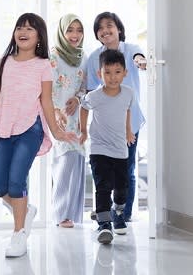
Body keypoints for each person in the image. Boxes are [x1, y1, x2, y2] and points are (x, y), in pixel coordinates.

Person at [0, 13, 77, 258]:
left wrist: (57, 131)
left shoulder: (43, 65)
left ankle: (19, 235)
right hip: (6, 127)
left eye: (29, 28)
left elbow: (47, 102)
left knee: (17, 181)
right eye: (19, 27)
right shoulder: (5, 61)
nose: (23, 31)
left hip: (31, 128)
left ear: (39, 36)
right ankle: (26, 210)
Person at [85, 12, 146, 222]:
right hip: (104, 126)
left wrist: (141, 61)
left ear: (118, 28)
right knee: (103, 171)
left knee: (126, 169)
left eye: (109, 25)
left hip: (129, 123)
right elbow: (91, 92)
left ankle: (123, 214)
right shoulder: (94, 58)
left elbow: (139, 57)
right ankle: (105, 211)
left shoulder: (130, 50)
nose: (105, 30)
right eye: (100, 28)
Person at [80, 49, 136, 244]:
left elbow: (127, 111)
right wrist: (84, 131)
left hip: (120, 149)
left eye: (117, 72)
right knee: (103, 187)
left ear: (125, 73)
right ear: (99, 74)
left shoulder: (129, 93)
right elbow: (84, 108)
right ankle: (104, 225)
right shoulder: (95, 96)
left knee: (122, 188)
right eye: (108, 72)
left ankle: (117, 211)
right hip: (99, 149)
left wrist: (129, 131)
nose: (113, 77)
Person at [50, 14, 87, 228]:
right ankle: (60, 214)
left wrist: (77, 98)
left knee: (76, 162)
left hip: (76, 116)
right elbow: (46, 88)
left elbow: (85, 88)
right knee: (65, 161)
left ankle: (72, 214)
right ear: (62, 33)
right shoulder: (53, 56)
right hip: (58, 116)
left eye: (79, 30)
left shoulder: (84, 57)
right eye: (70, 30)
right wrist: (55, 111)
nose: (75, 35)